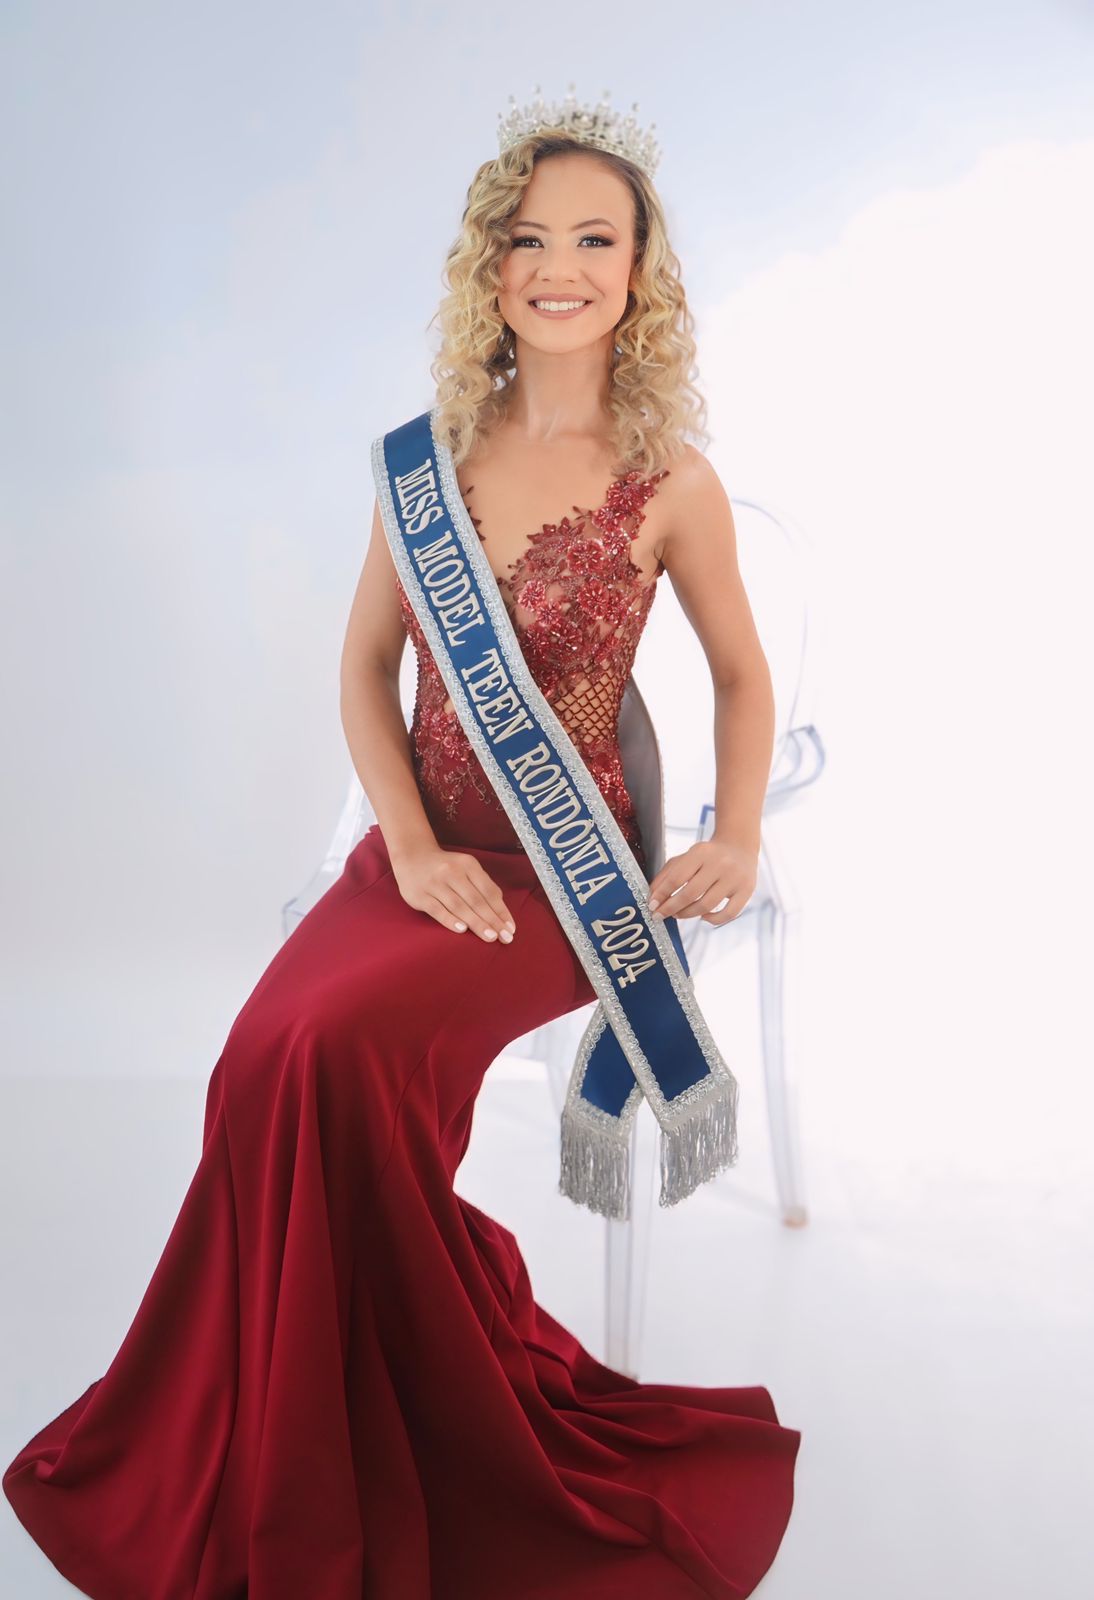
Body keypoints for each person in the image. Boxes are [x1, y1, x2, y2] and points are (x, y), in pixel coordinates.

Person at [3, 94, 801, 1600]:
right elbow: (368, 671)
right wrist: (409, 845)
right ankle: (282, 1404)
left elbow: (741, 677)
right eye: (528, 238)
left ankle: (393, 1401)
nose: (558, 267)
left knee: (341, 1058)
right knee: (261, 1057)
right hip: (425, 863)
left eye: (595, 240)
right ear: (488, 265)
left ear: (639, 272)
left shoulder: (674, 481)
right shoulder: (424, 457)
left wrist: (742, 831)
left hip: (560, 882)